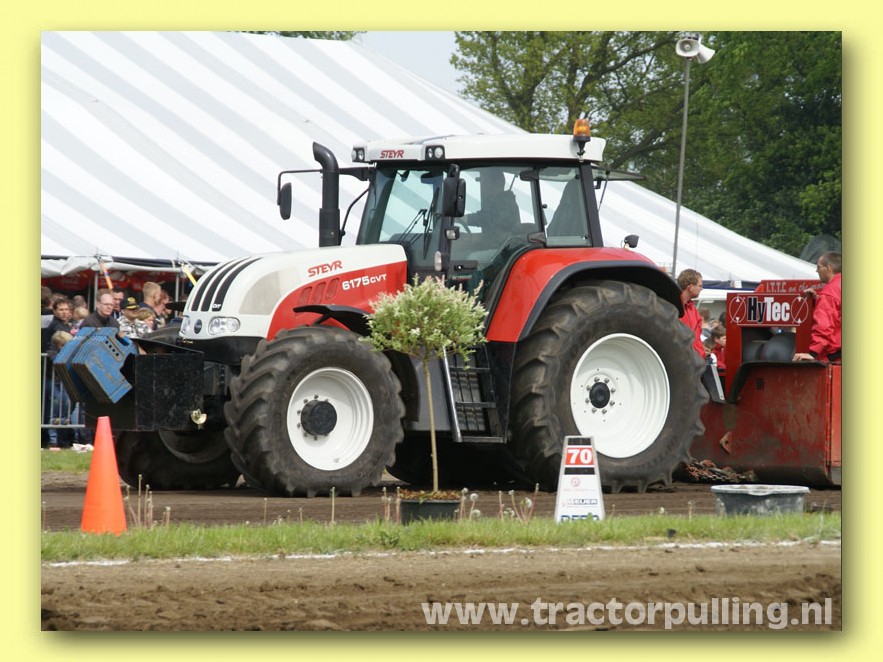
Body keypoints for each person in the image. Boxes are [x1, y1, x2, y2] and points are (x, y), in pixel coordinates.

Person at [794, 251, 841, 362]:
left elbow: (823, 326)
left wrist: (813, 353)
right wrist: (819, 299)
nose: (817, 271)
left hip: (834, 358)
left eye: (819, 267)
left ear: (828, 268)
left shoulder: (829, 293)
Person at [677, 268, 705, 359]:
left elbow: (697, 339)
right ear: (691, 287)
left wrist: (701, 357)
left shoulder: (693, 311)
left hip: (693, 360)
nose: (701, 288)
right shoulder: (673, 307)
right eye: (699, 285)